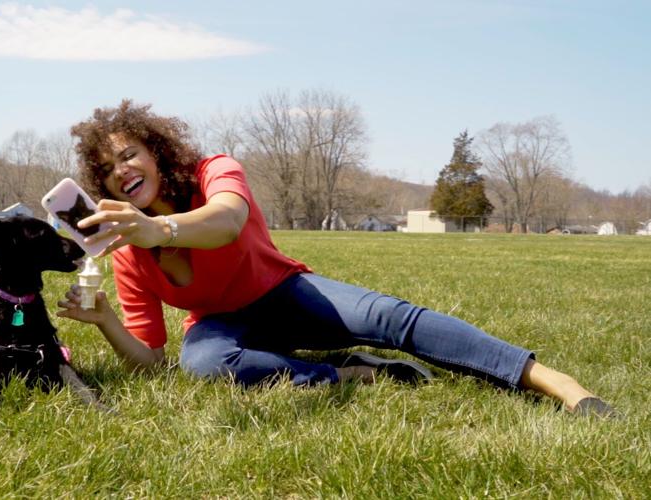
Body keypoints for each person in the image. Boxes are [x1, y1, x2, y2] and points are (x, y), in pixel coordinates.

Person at [56, 100, 615, 417]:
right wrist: (105, 319)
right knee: (203, 364)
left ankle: (560, 385)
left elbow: (227, 221)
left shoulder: (214, 171)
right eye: (108, 169)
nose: (123, 170)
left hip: (286, 292)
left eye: (130, 153)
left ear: (158, 152)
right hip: (226, 327)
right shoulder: (128, 254)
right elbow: (153, 362)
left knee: (394, 319)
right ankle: (350, 375)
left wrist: (160, 227)